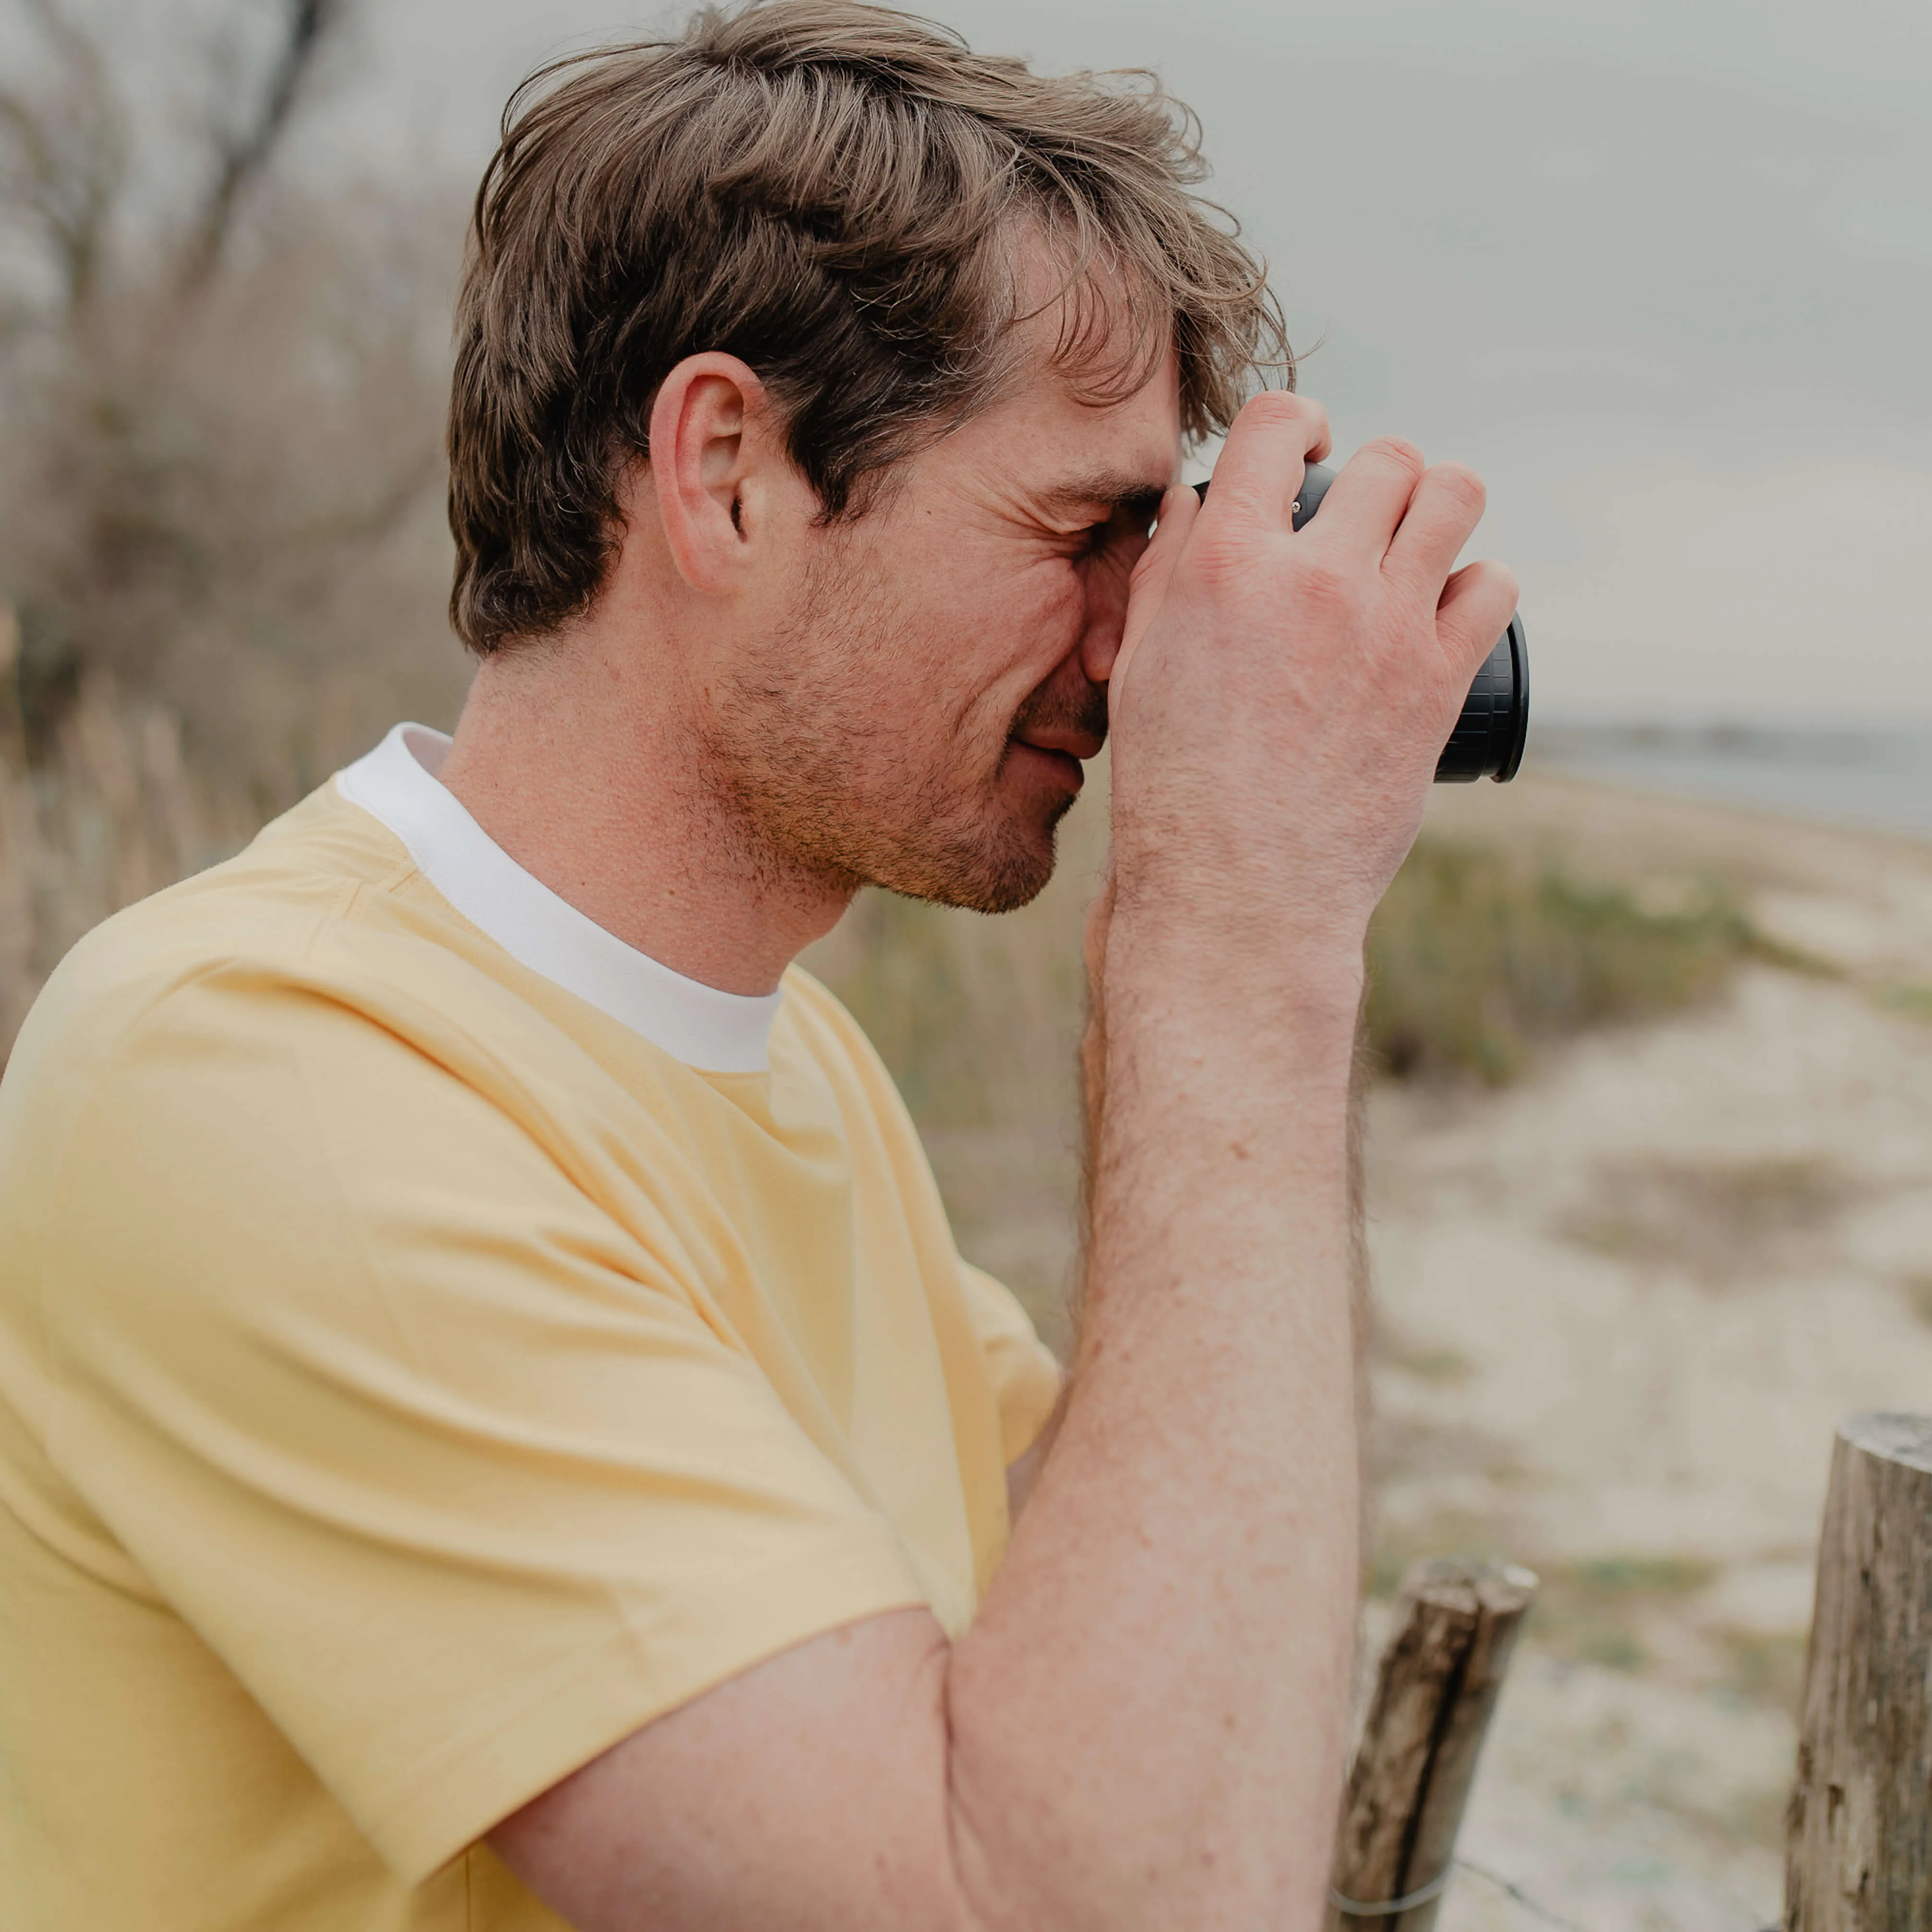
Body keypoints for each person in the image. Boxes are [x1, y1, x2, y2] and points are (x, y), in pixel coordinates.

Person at [0, 3, 1515, 1927]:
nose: (1141, 648)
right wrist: (1240, 934)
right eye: (1090, 529)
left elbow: (1165, 1685)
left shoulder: (791, 1071)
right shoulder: (252, 1074)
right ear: (726, 471)